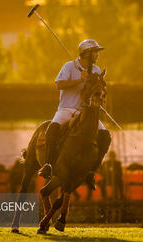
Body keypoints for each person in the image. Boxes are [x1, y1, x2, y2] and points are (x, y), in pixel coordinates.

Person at [38, 39, 111, 190]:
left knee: (105, 136)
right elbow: (59, 84)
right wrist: (80, 79)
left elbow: (98, 90)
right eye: (95, 52)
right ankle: (48, 165)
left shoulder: (97, 71)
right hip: (67, 109)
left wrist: (100, 96)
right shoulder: (70, 66)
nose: (97, 55)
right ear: (87, 53)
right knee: (53, 128)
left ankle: (92, 171)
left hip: (86, 111)